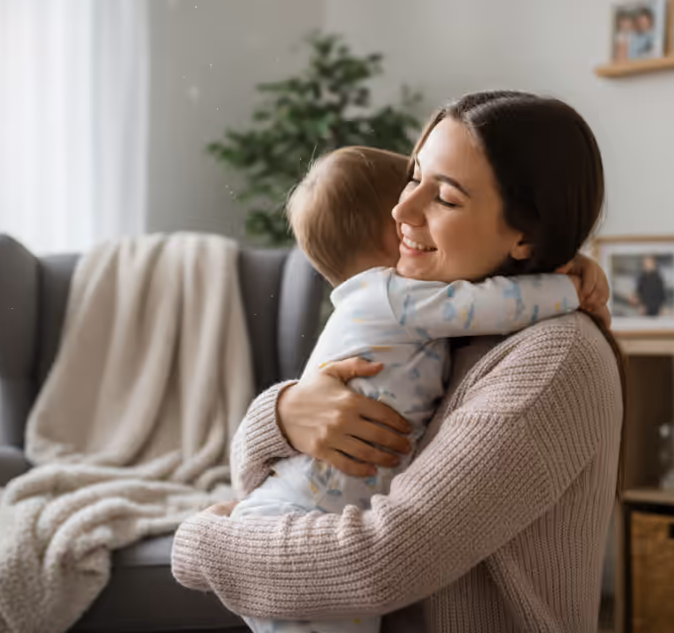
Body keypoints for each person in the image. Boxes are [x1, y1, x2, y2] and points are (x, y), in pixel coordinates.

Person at [171, 90, 625, 632]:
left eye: (446, 198)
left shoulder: (551, 359)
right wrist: (283, 415)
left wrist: (200, 543)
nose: (400, 210)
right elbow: (257, 480)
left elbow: (380, 561)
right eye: (413, 177)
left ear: (526, 235)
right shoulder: (438, 323)